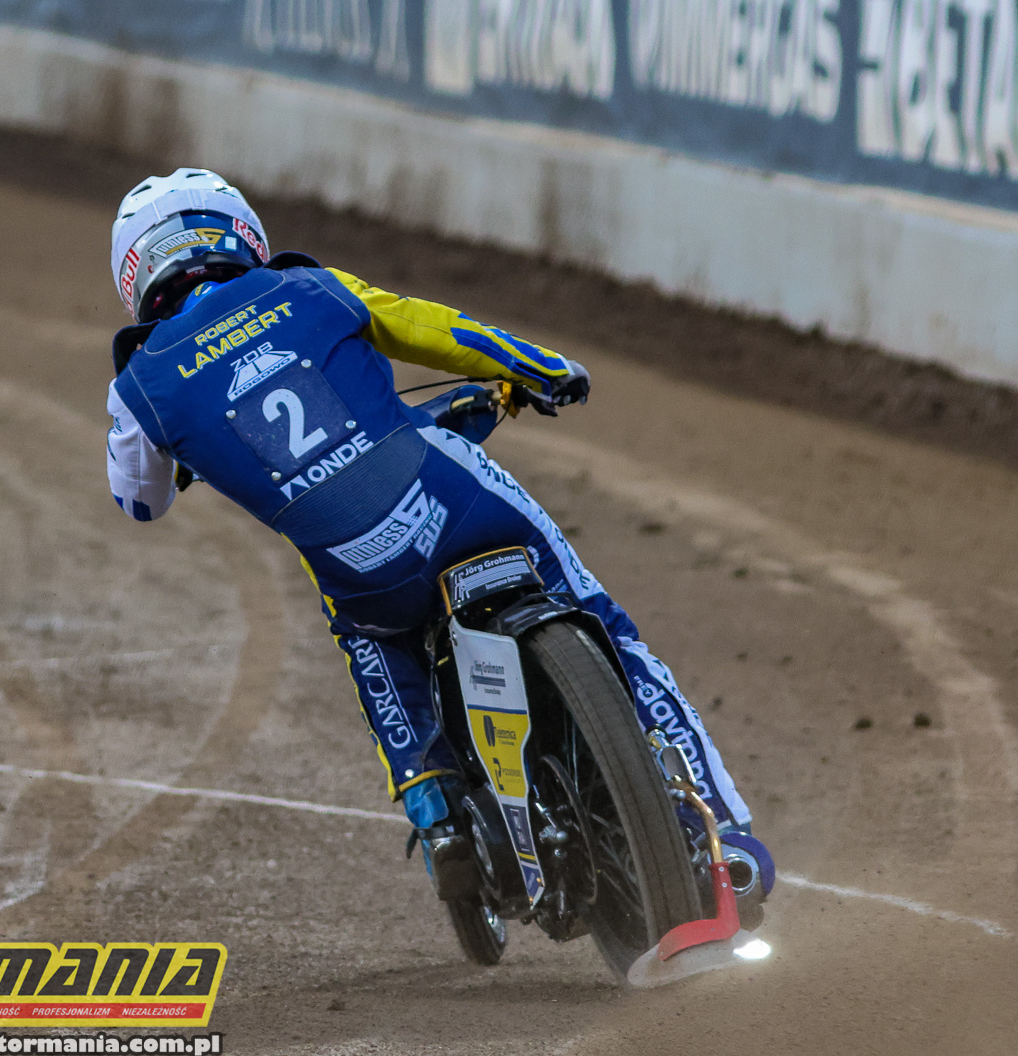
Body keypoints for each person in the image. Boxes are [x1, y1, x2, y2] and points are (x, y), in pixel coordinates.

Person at [104, 168, 773, 918]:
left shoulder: (139, 388)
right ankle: (727, 836)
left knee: (368, 637)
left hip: (364, 575)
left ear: (136, 275)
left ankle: (437, 813)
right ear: (242, 235)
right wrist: (543, 369)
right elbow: (441, 331)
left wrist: (182, 452)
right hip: (461, 505)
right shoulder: (312, 288)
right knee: (606, 626)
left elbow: (139, 500)